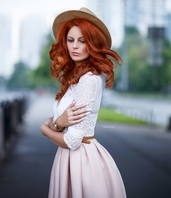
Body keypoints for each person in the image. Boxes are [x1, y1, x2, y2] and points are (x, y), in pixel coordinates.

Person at [40, 7, 127, 198]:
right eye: (71, 40)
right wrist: (59, 123)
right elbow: (61, 123)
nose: (75, 46)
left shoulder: (89, 79)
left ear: (93, 43)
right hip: (68, 160)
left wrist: (46, 130)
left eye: (82, 41)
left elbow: (72, 141)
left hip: (82, 161)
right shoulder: (75, 78)